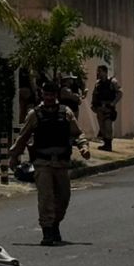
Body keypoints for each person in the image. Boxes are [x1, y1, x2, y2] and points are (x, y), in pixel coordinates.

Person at [10, 79, 90, 246]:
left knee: (63, 198)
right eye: (46, 94)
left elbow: (78, 133)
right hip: (43, 163)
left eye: (52, 95)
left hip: (61, 163)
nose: (49, 98)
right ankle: (47, 231)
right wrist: (14, 156)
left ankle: (55, 225)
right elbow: (23, 137)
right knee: (46, 198)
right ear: (42, 95)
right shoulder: (35, 114)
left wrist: (84, 147)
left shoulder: (65, 112)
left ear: (56, 95)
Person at [90, 64, 123, 152]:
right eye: (98, 71)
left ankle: (109, 145)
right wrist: (93, 105)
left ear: (105, 72)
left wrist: (113, 103)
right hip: (100, 108)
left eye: (100, 71)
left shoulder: (113, 81)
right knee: (102, 127)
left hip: (108, 108)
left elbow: (120, 93)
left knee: (108, 126)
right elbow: (94, 94)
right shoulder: (98, 83)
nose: (98, 73)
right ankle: (105, 144)